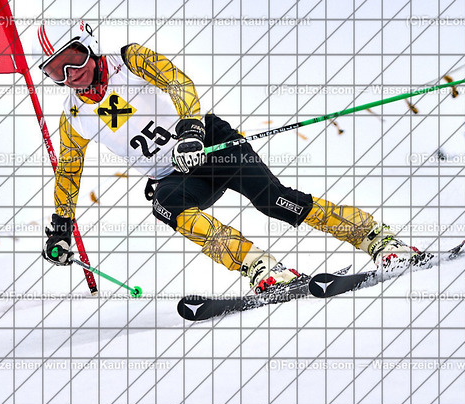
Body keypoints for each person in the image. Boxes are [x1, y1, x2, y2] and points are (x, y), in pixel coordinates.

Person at [39, 20, 417, 293]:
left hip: (210, 145)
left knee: (274, 201)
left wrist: (191, 131)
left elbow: (178, 82)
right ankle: (260, 267)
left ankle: (377, 239)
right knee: (165, 206)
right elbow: (69, 172)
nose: (70, 74)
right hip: (174, 175)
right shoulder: (74, 117)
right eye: (56, 71)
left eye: (74, 59)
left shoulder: (130, 60)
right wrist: (61, 226)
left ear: (89, 45)